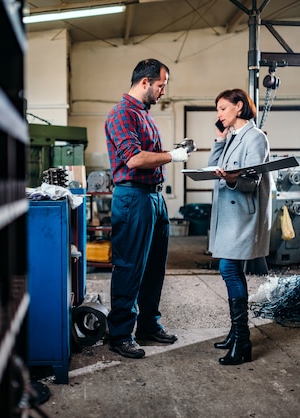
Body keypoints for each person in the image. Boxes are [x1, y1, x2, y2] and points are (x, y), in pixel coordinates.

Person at [104, 58, 192, 359]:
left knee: (154, 267)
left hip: (153, 198)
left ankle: (147, 326)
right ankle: (119, 334)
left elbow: (152, 155)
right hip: (133, 198)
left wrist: (173, 151)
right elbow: (133, 159)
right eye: (160, 85)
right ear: (145, 82)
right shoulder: (121, 114)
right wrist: (173, 155)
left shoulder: (143, 114)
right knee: (130, 266)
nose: (162, 92)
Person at [208, 88, 272, 365]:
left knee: (229, 269)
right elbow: (211, 169)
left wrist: (233, 178)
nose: (219, 114)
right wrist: (220, 140)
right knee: (231, 269)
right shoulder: (233, 137)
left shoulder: (256, 138)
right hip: (228, 216)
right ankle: (236, 334)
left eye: (223, 108)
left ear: (238, 106)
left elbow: (252, 181)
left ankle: (243, 340)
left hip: (243, 216)